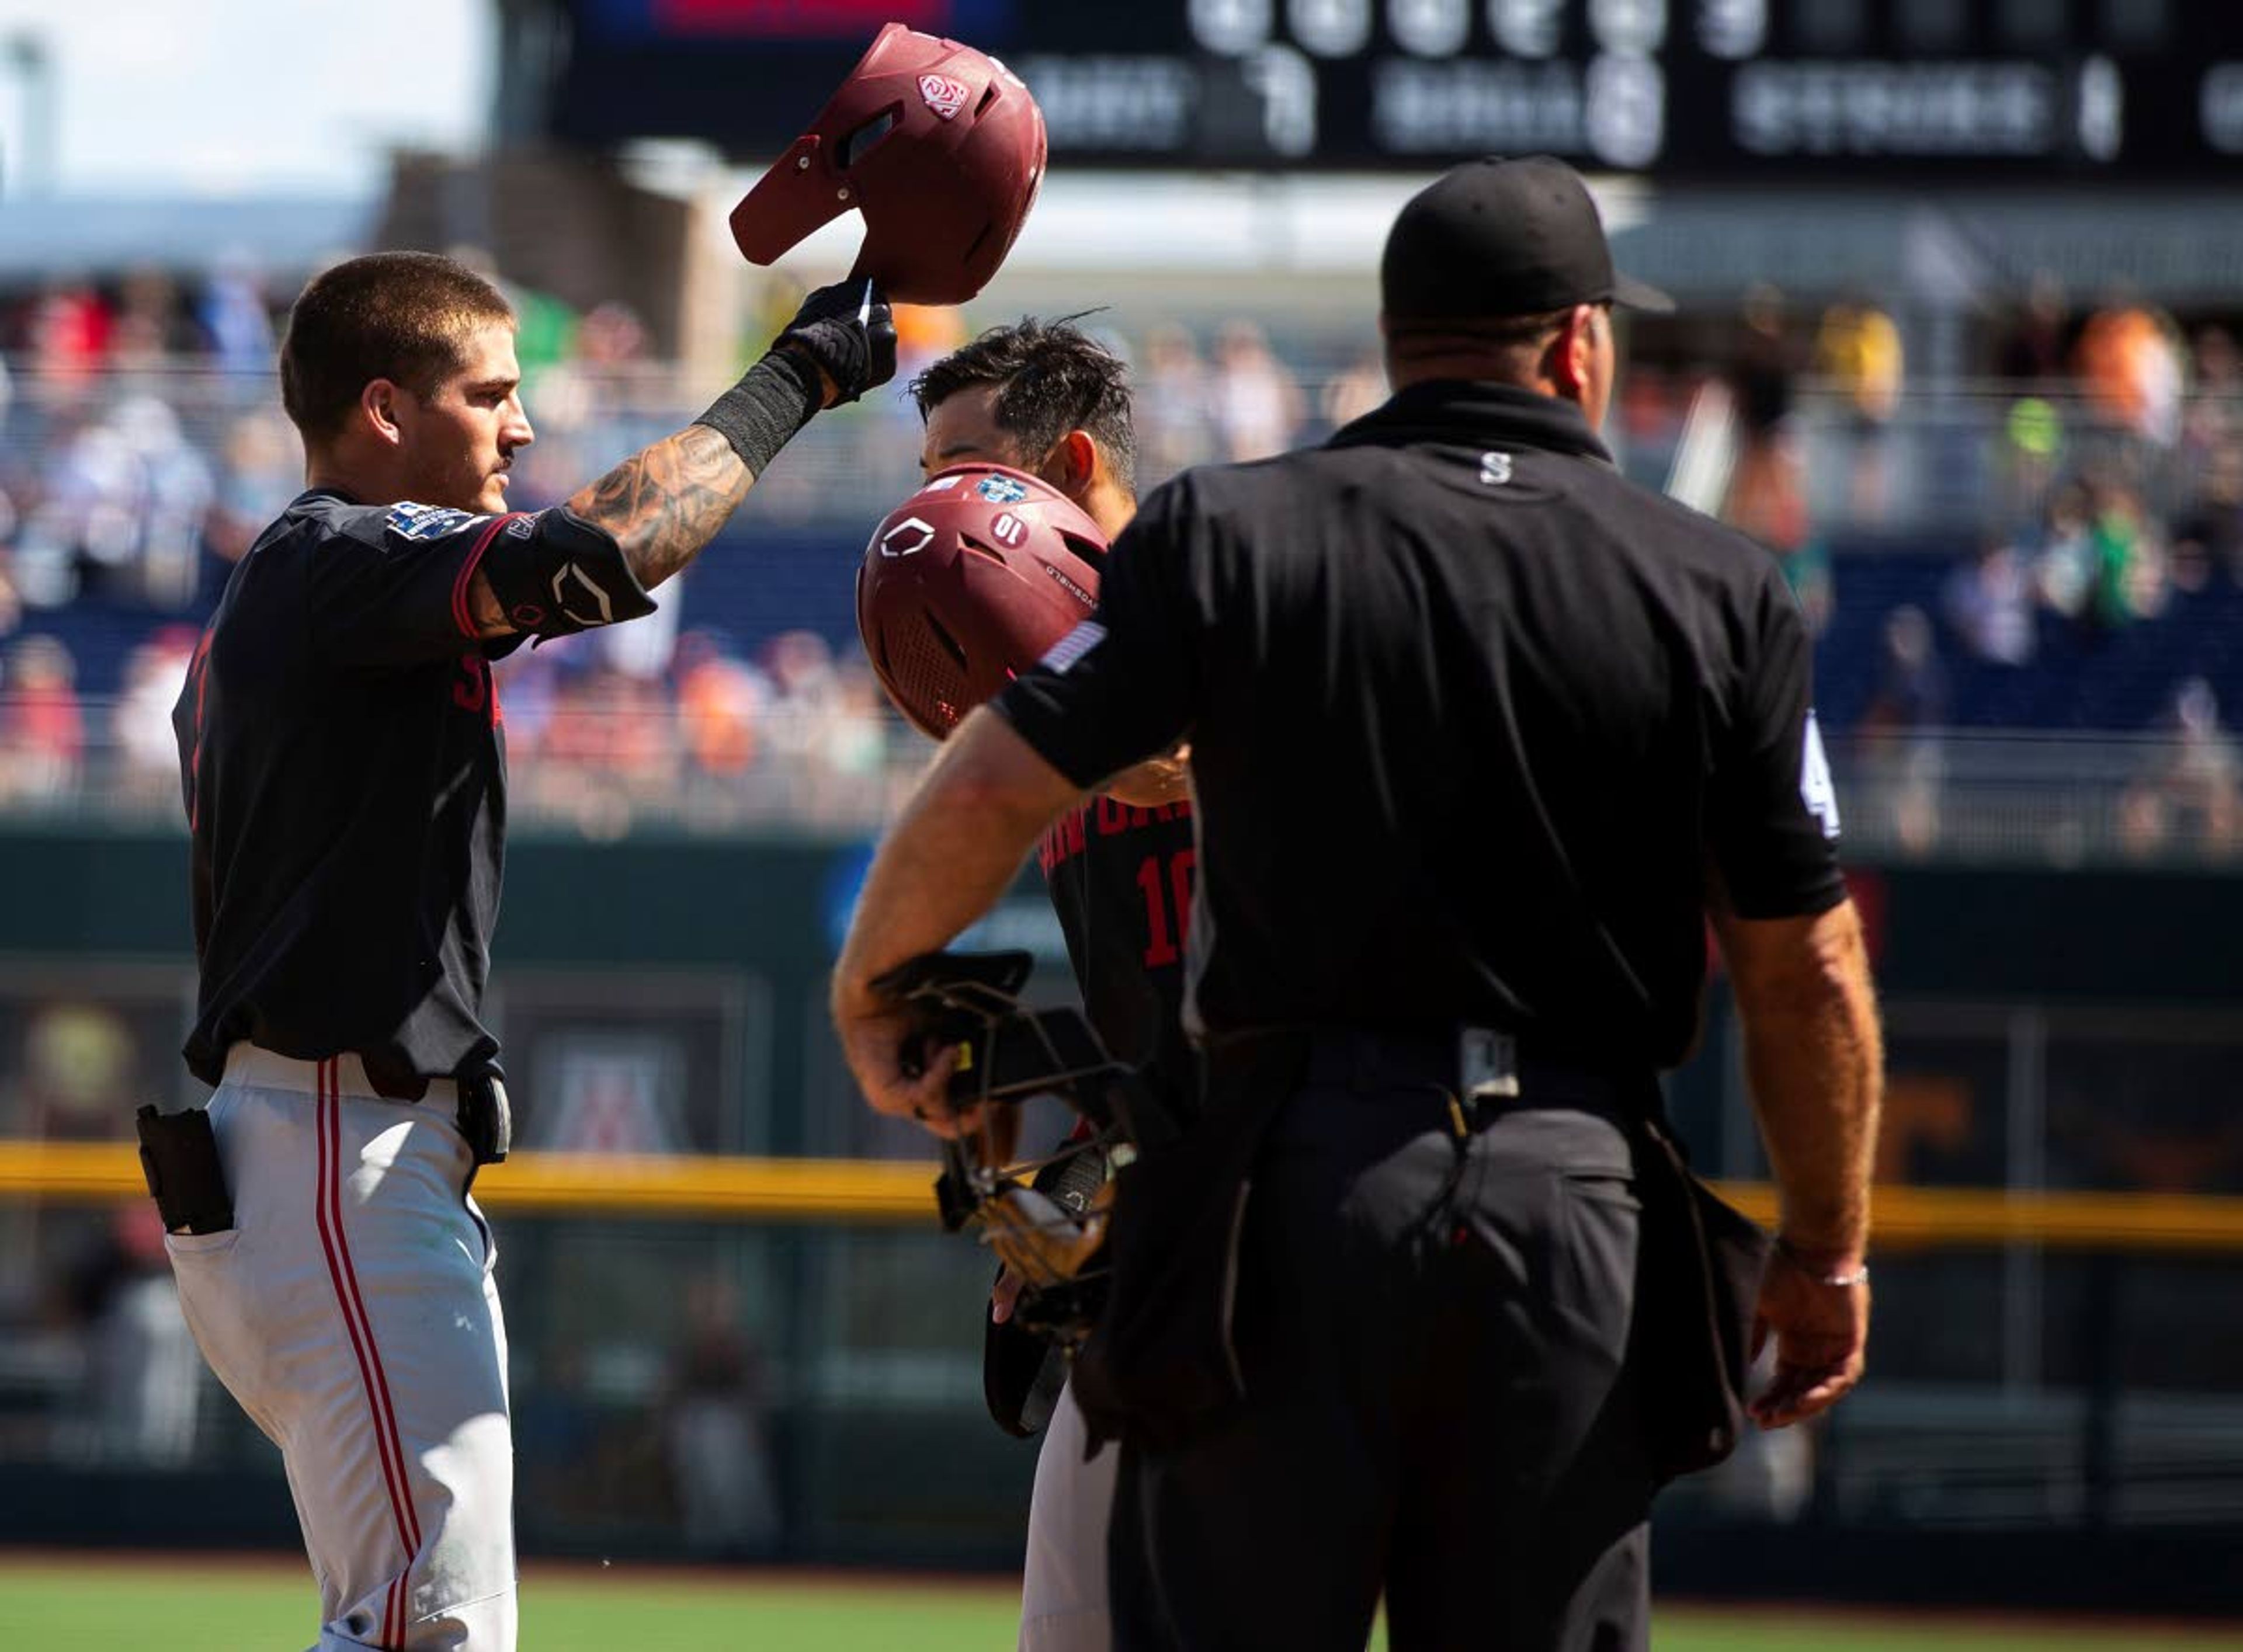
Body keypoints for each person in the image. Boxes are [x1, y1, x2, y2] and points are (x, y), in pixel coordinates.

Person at [831, 156, 1882, 1650]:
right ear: (1582, 344)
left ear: (1397, 340)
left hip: (1287, 1195)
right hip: (1563, 1190)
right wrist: (1827, 1245)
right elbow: (1808, 965)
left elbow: (998, 787)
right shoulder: (1717, 587)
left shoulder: (1228, 545)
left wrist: (870, 993)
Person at [159, 250, 893, 1651]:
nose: (524, 426)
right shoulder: (331, 560)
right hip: (336, 1146)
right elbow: (606, 554)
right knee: (426, 1632)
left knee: (421, 1624)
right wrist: (795, 378)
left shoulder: (317, 590)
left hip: (337, 1151)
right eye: (490, 393)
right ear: (383, 410)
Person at [905, 317, 1189, 1652]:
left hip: (1319, 1214)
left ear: (1070, 463)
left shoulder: (1227, 594)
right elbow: (1151, 1030)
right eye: (922, 474)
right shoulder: (1044, 710)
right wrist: (1076, 1183)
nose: (933, 508)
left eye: (965, 466)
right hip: (1167, 1228)